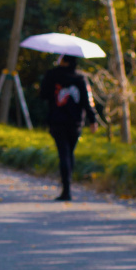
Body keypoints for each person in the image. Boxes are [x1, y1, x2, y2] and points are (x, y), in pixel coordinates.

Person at [38, 54, 97, 201]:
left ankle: (66, 190)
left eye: (61, 58)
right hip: (75, 122)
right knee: (69, 153)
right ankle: (67, 188)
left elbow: (43, 95)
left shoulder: (52, 75)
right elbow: (87, 101)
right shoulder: (80, 78)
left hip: (57, 121)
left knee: (63, 153)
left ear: (64, 61)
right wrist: (93, 120)